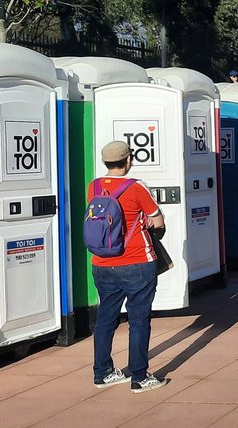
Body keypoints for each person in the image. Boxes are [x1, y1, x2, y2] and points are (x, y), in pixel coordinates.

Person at [90, 141, 167, 393]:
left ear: (105, 162)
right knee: (139, 319)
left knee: (105, 317)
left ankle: (102, 373)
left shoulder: (94, 186)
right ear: (129, 160)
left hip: (101, 262)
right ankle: (139, 377)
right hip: (136, 262)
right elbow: (157, 221)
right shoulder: (136, 187)